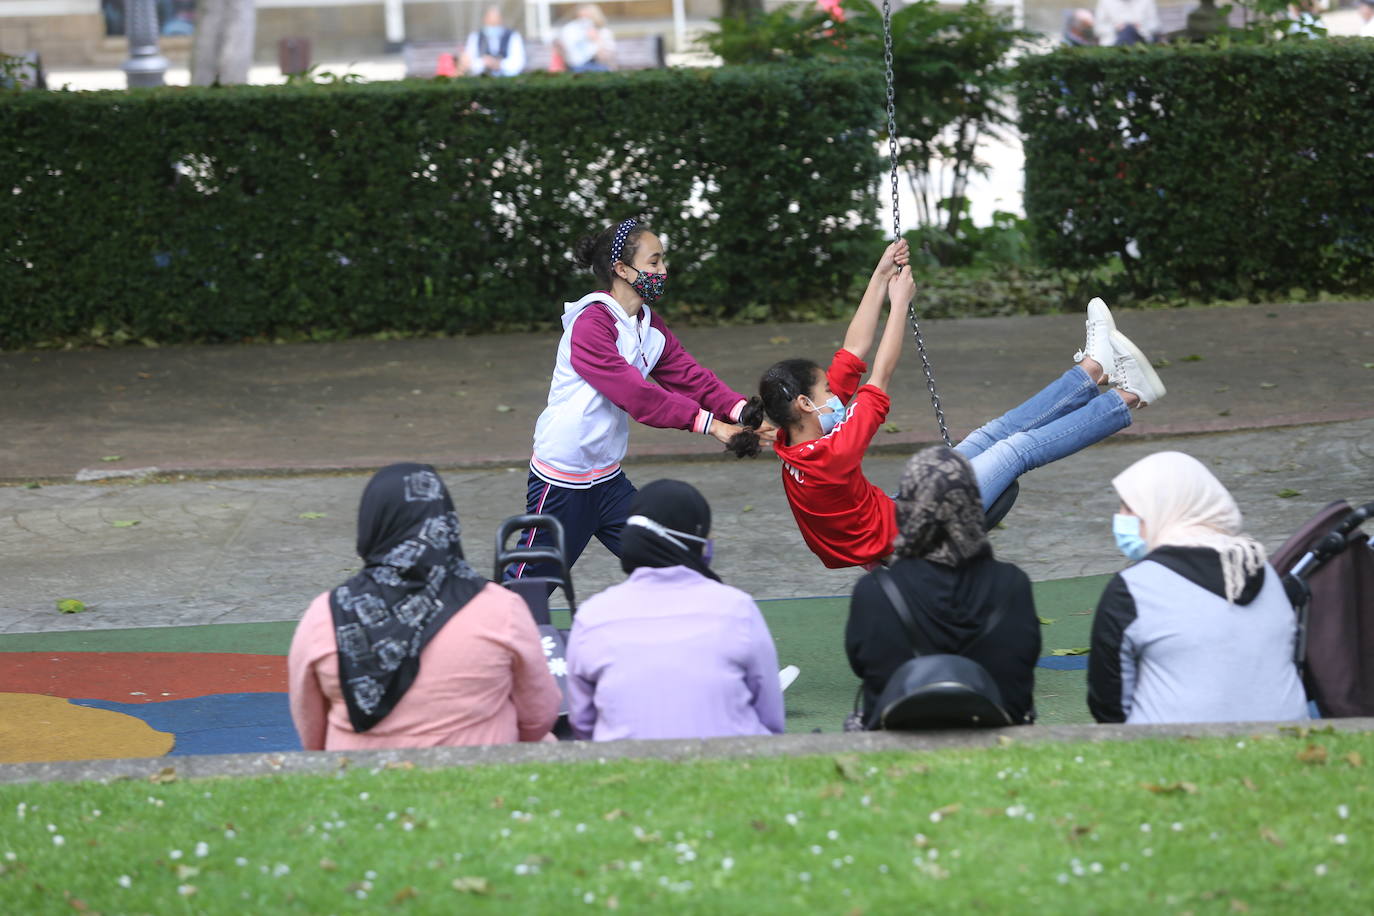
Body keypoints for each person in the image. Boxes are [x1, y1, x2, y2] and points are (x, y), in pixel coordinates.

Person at [727, 245, 1167, 570]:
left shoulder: (793, 432)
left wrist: (880, 278)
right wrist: (900, 303)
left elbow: (855, 350)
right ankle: (1128, 397)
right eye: (825, 389)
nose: (833, 392)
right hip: (921, 537)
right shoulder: (830, 455)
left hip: (904, 512)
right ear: (805, 403)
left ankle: (1094, 369)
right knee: (1015, 450)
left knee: (989, 436)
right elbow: (879, 374)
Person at [507, 217, 759, 586]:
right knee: (525, 591)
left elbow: (690, 377)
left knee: (674, 568)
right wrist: (713, 425)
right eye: (654, 262)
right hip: (561, 484)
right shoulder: (590, 324)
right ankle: (477, 641)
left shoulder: (647, 324)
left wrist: (745, 413)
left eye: (662, 261)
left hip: (608, 483)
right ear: (622, 269)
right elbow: (635, 395)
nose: (663, 270)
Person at [288, 463, 560, 750]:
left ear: (372, 525)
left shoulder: (325, 614)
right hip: (477, 782)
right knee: (547, 741)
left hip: (358, 782)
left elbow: (312, 736)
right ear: (447, 523)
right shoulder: (502, 608)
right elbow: (538, 718)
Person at [1087, 451, 1309, 725]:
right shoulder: (1263, 570)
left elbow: (1108, 703)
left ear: (1164, 509)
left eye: (1131, 508)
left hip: (1172, 751)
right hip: (1290, 741)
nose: (1120, 518)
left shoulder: (1134, 588)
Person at [564, 480, 786, 740]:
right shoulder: (738, 609)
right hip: (729, 764)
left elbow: (582, 722)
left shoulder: (591, 616)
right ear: (693, 539)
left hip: (624, 769)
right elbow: (771, 720)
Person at [846, 447, 1041, 727]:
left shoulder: (874, 591)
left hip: (897, 735)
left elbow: (861, 664)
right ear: (973, 507)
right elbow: (1025, 661)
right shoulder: (1014, 585)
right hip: (997, 734)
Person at [458, 5, 526, 78]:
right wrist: (484, 62)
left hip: (508, 80)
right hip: (481, 80)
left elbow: (519, 63)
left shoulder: (513, 36)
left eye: (495, 23)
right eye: (491, 23)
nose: (493, 26)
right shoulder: (475, 37)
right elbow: (469, 62)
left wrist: (499, 64)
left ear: (501, 21)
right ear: (485, 20)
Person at [557, 4, 616, 72]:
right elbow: (569, 58)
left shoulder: (604, 32)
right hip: (576, 66)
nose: (583, 19)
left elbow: (606, 60)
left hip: (598, 65)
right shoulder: (571, 30)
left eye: (587, 16)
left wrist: (596, 40)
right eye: (580, 16)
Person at [1094, 0, 1160, 44]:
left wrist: (1140, 27)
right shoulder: (1105, 2)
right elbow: (1098, 28)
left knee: (1129, 30)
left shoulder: (1147, 1)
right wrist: (1115, 28)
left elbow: (1156, 25)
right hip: (1113, 41)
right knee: (1127, 31)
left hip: (1141, 39)